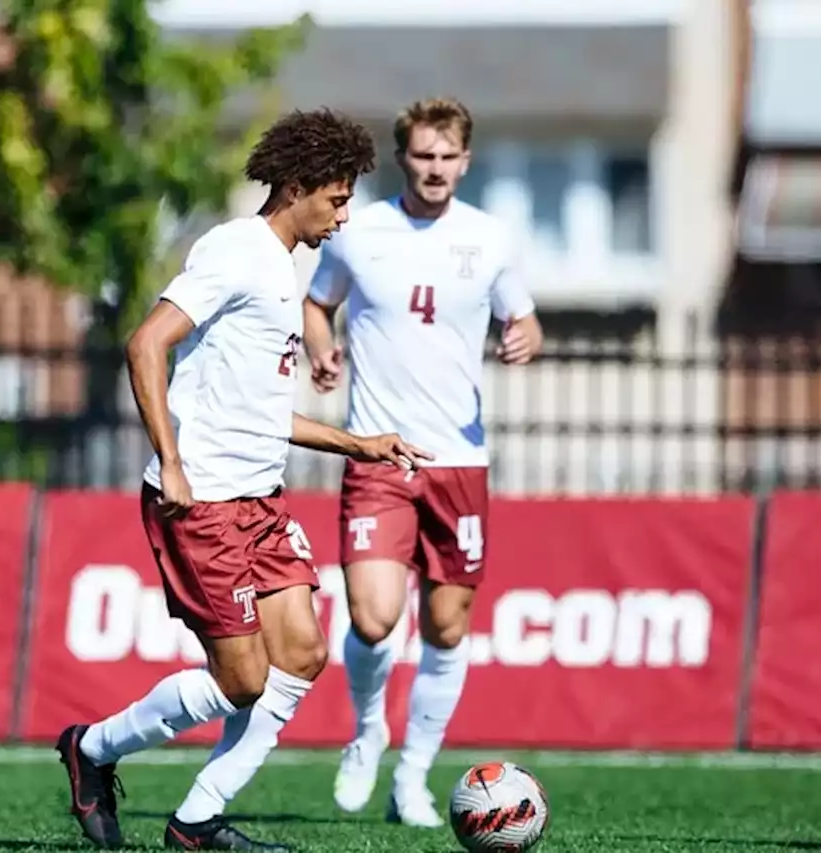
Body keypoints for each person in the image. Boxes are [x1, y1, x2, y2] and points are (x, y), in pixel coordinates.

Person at [56, 108, 432, 851]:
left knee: (303, 655)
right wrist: (171, 461)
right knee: (242, 680)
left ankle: (195, 822)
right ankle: (92, 748)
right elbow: (145, 344)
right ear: (295, 187)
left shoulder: (280, 269)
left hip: (259, 502)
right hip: (202, 503)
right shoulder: (235, 249)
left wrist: (357, 443)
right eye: (336, 196)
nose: (345, 213)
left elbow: (259, 410)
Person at [302, 96, 543, 828]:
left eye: (448, 157)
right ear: (402, 157)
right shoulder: (359, 231)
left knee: (444, 627)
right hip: (378, 452)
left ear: (465, 161)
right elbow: (318, 305)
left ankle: (413, 775)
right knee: (374, 619)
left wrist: (524, 336)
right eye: (423, 155)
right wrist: (320, 347)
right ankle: (368, 729)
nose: (435, 169)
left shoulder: (491, 238)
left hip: (461, 460)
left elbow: (520, 314)